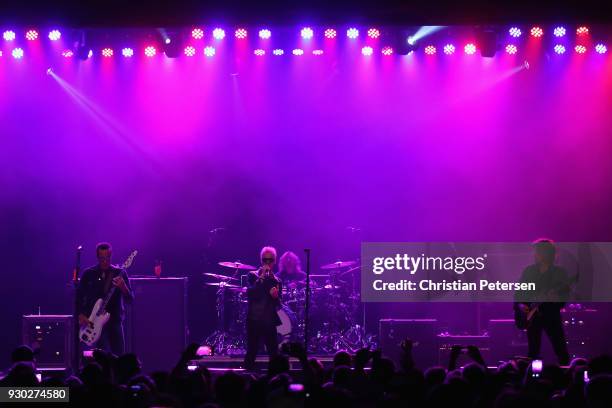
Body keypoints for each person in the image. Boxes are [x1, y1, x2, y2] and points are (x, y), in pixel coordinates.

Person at [514, 239, 570, 365]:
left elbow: (564, 296)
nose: (535, 255)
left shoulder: (559, 273)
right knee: (533, 351)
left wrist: (552, 299)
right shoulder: (529, 271)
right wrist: (521, 304)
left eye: (537, 252)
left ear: (546, 253)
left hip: (551, 316)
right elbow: (519, 291)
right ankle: (530, 378)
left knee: (560, 349)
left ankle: (566, 374)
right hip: (533, 317)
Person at [76, 242, 134, 355]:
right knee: (99, 359)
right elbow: (78, 297)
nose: (105, 261)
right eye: (101, 258)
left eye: (107, 257)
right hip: (92, 324)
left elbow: (130, 299)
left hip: (114, 323)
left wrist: (123, 287)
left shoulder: (119, 273)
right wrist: (81, 314)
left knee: (118, 358)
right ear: (97, 257)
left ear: (111, 256)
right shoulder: (88, 274)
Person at [244, 246, 282, 370]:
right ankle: (247, 377)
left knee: (273, 353)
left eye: (270, 260)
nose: (267, 263)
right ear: (261, 261)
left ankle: (275, 378)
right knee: (252, 351)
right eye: (265, 260)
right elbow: (251, 293)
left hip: (269, 321)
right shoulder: (252, 275)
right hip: (254, 319)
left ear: (274, 261)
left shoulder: (276, 280)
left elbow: (278, 305)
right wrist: (261, 278)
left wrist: (275, 297)